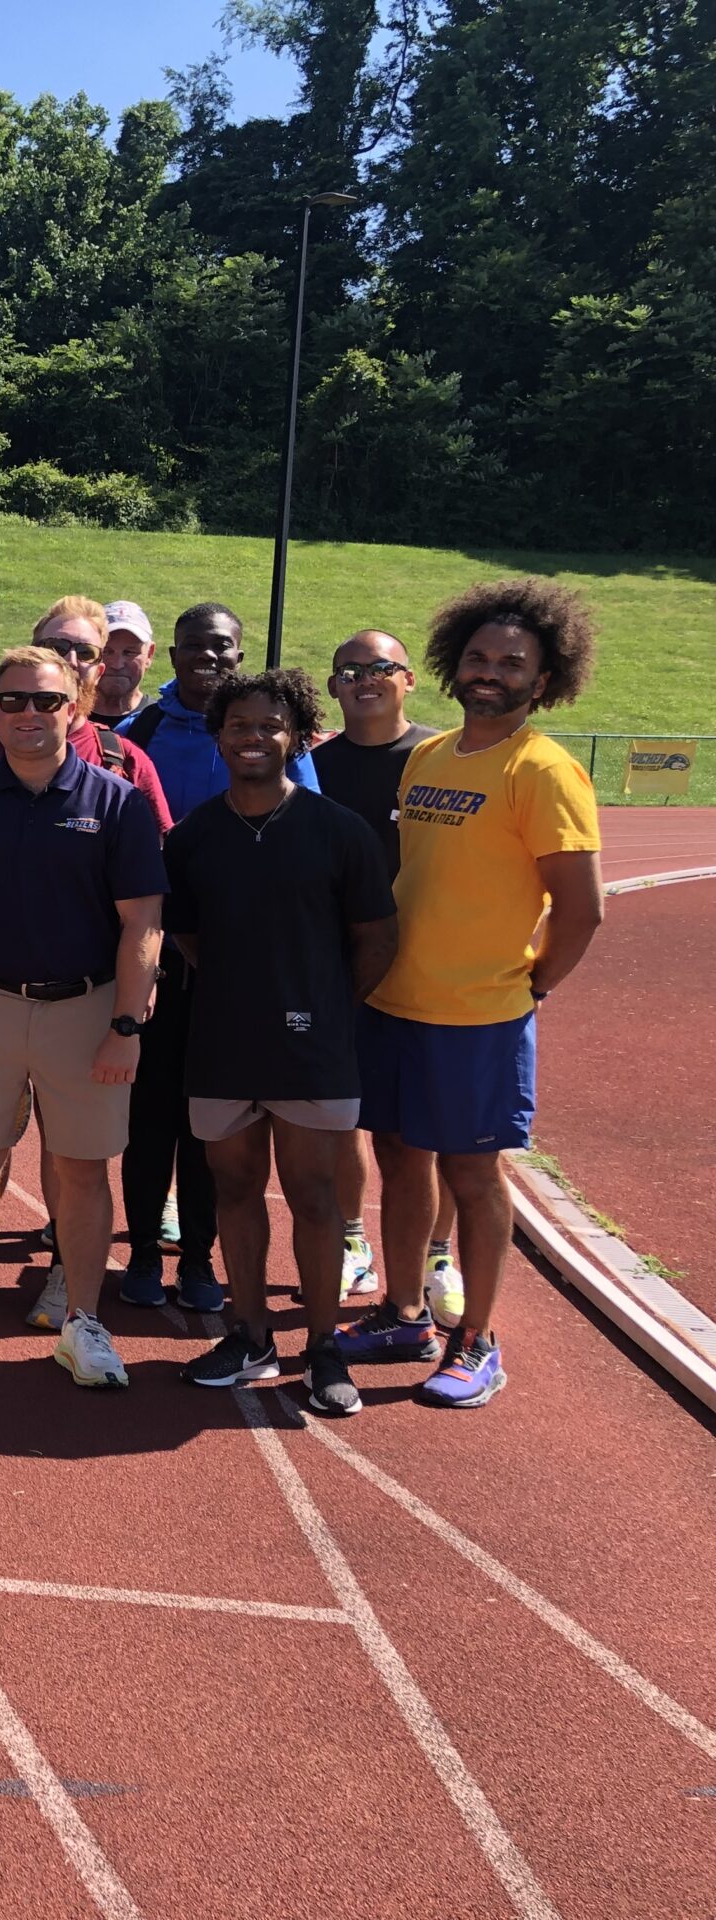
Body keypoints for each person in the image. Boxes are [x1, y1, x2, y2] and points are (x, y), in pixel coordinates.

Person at [336, 580, 605, 1409]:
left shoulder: (545, 770)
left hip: (478, 1017)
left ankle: (478, 1339)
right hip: (397, 1001)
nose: (492, 673)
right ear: (456, 663)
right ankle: (405, 1311)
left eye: (512, 663)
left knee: (474, 1174)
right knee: (397, 1157)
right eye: (480, 658)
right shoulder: (429, 755)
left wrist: (532, 988)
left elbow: (583, 907)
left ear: (545, 677)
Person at [0, 648, 165, 1388]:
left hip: (86, 1009)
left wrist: (126, 1025)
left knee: (81, 1172)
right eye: (12, 701)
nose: (27, 715)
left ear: (74, 708)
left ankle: (83, 1322)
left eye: (46, 702)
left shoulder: (117, 803)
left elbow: (144, 923)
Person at [166, 671, 396, 1416]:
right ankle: (251, 1333)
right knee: (234, 1189)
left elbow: (376, 938)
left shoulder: (339, 831)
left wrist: (328, 1007)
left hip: (313, 1050)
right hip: (224, 1043)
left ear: (297, 736)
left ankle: (325, 1346)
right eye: (239, 724)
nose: (253, 737)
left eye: (270, 725)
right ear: (219, 734)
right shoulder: (196, 835)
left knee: (316, 1195)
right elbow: (188, 934)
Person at [309, 628, 453, 1309]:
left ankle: (436, 1255)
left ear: (409, 679)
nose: (365, 678)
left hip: (429, 973)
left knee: (421, 1135)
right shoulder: (315, 766)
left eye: (380, 667)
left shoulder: (441, 758)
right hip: (342, 973)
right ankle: (350, 1236)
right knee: (339, 1121)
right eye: (350, 670)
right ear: (334, 686)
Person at [120, 601, 319, 819]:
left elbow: (308, 818)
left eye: (221, 646)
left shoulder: (274, 735)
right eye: (193, 645)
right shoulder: (135, 730)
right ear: (173, 657)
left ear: (238, 659)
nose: (207, 654)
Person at [95, 601, 156, 722]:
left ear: (149, 654)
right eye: (106, 651)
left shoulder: (160, 722)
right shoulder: (65, 718)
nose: (117, 665)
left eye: (129, 652)